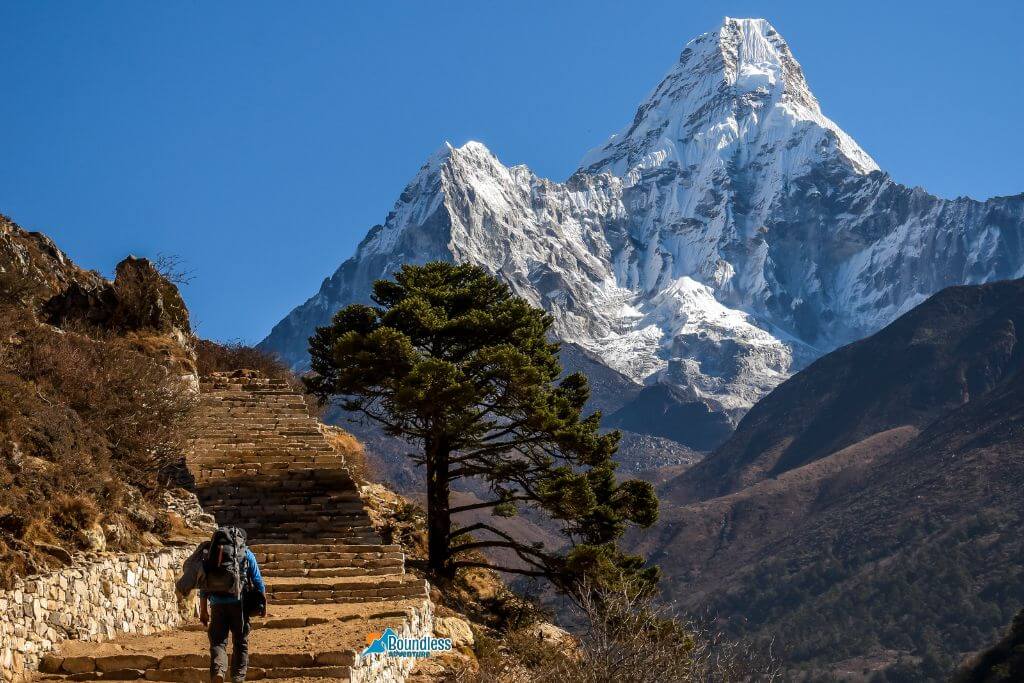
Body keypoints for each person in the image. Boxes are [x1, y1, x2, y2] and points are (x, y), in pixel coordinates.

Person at [199, 535, 266, 683]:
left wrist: (203, 610)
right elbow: (258, 581)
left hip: (216, 603)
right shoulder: (246, 553)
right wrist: (263, 605)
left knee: (217, 641)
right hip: (239, 603)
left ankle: (219, 671)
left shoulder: (212, 554)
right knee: (240, 642)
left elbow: (203, 585)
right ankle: (237, 678)